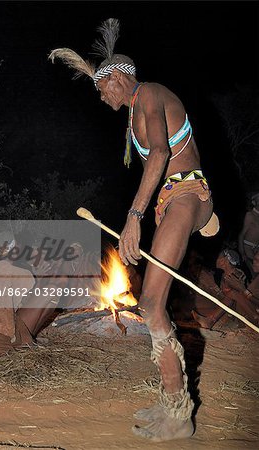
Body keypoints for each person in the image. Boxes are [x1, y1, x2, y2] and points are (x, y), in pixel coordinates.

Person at [50, 18, 219, 441]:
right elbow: (161, 158)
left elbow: (161, 152)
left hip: (185, 194)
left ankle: (179, 414)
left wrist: (135, 216)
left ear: (120, 78)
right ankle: (172, 402)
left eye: (101, 87)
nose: (99, 96)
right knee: (151, 303)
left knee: (152, 303)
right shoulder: (135, 114)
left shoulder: (149, 94)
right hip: (174, 200)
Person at [192, 249, 259, 329]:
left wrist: (242, 289)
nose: (253, 262)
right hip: (240, 309)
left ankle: (211, 321)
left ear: (225, 260)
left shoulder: (236, 274)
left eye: (257, 260)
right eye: (254, 259)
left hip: (248, 314)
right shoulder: (225, 274)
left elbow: (238, 297)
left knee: (232, 294)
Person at [238, 192, 259, 277]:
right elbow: (241, 235)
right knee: (254, 274)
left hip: (256, 249)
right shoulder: (250, 215)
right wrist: (242, 253)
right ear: (255, 202)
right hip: (247, 248)